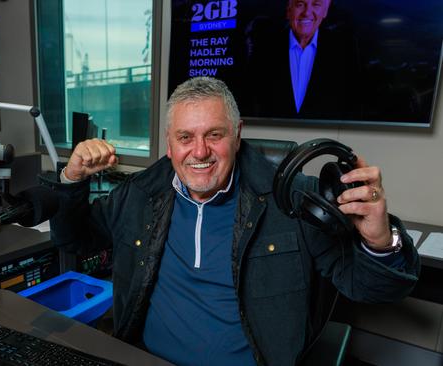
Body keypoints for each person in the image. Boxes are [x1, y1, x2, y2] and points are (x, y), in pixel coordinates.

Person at [49, 77, 419, 365]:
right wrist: (72, 178)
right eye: (185, 137)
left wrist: (380, 241)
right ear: (169, 143)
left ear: (237, 134)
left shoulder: (294, 200)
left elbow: (374, 289)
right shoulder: (141, 193)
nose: (199, 151)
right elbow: (74, 239)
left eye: (214, 135)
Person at [248, 0, 361, 120]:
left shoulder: (344, 47)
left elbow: (354, 102)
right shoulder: (265, 46)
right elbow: (253, 98)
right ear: (288, 10)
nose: (307, 12)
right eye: (300, 4)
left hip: (327, 136)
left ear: (325, 11)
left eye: (316, 5)